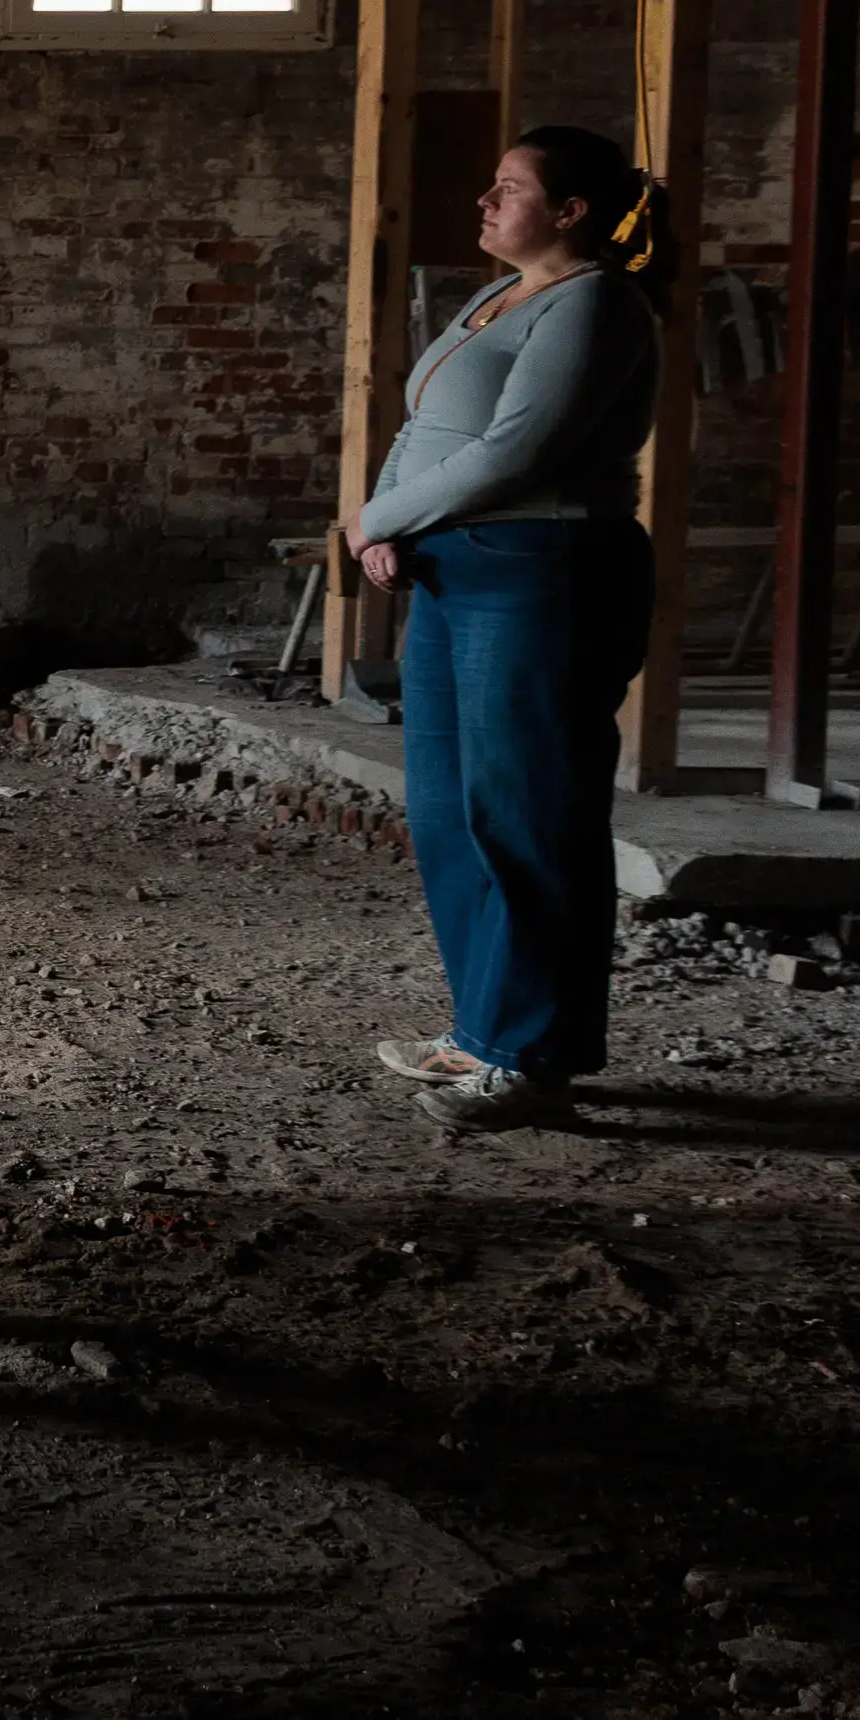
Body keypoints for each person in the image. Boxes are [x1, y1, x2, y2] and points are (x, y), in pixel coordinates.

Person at [350, 124, 663, 1135]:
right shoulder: (496, 299)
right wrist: (382, 529)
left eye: (509, 188)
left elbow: (514, 451)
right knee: (449, 812)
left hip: (543, 570)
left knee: (528, 814)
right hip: (455, 567)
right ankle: (485, 1030)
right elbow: (421, 422)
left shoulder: (599, 304)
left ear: (571, 211)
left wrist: (381, 519)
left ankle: (534, 1056)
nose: (485, 202)